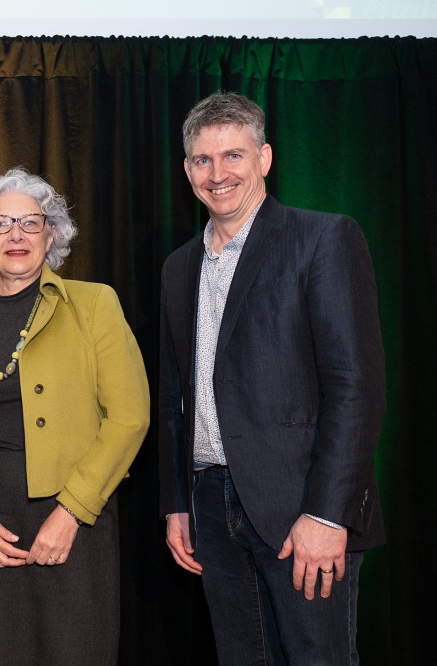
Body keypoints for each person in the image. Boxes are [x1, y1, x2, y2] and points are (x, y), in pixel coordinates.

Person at [159, 91, 386, 664]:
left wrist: (328, 514)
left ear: (264, 158)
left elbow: (355, 388)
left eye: (233, 156)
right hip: (210, 503)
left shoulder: (323, 238)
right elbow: (173, 394)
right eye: (203, 161)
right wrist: (177, 501)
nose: (219, 174)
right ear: (187, 171)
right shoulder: (179, 266)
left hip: (301, 506)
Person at [0, 167, 150, 665]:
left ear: (53, 233)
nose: (17, 235)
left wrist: (70, 512)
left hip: (74, 528)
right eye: (1, 224)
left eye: (31, 221)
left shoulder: (95, 304)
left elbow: (130, 417)